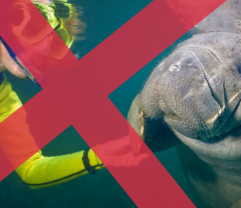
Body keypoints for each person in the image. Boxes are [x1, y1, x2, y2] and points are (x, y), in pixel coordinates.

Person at [0, 0, 148, 189]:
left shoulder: (3, 99)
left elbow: (31, 169)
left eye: (55, 39)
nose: (43, 48)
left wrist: (97, 157)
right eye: (34, 25)